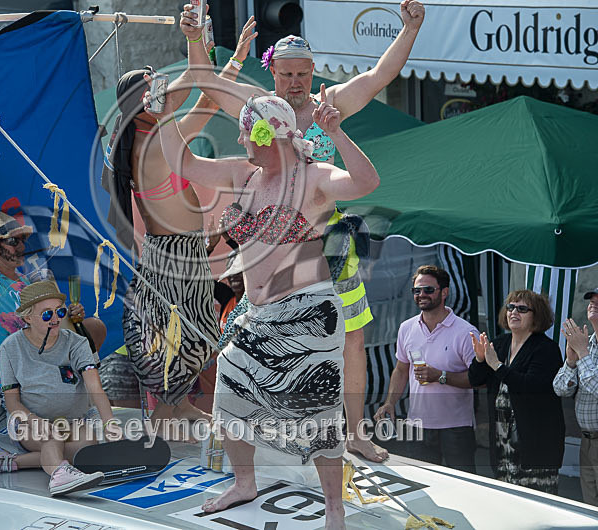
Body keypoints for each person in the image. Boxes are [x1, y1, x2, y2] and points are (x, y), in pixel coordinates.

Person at [181, 0, 426, 462]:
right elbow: (209, 85)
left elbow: (377, 78)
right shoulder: (257, 109)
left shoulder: (326, 107)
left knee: (353, 333)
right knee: (256, 335)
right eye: (287, 74)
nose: (295, 83)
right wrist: (196, 39)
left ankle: (354, 432)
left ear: (313, 72)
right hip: (268, 242)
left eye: (303, 74)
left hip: (328, 237)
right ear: (272, 73)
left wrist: (409, 31)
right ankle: (254, 433)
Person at [145, 82, 378, 527]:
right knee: (230, 388)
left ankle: (334, 506)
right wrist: (164, 117)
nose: (239, 140)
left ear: (269, 135)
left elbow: (367, 182)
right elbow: (185, 162)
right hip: (258, 315)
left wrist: (339, 133)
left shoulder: (314, 177)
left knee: (317, 408)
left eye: (246, 132)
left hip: (309, 310)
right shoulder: (244, 175)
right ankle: (244, 481)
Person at [99, 18, 259, 426]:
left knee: (198, 331)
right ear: (142, 101)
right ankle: (166, 416)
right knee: (181, 334)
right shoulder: (149, 146)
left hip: (181, 251)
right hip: (171, 255)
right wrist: (193, 41)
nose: (165, 90)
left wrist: (236, 60)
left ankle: (179, 406)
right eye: (156, 86)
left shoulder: (156, 135)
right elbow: (198, 82)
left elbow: (206, 100)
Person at [0, 197, 106, 408]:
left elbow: (49, 327)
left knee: (93, 328)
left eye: (22, 240)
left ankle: (83, 396)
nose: (21, 246)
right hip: (0, 379)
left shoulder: (27, 281)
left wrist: (67, 317)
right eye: (13, 241)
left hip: (36, 372)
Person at [0, 281, 114, 495]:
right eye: (47, 314)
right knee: (51, 434)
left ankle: (10, 462)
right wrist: (34, 420)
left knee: (87, 449)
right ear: (27, 318)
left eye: (60, 312)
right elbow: (12, 401)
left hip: (73, 421)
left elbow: (94, 386)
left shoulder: (77, 342)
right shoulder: (10, 347)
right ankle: (59, 475)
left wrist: (110, 424)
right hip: (29, 423)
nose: (56, 319)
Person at [373, 266, 478, 471]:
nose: (421, 295)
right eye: (416, 290)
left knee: (465, 488)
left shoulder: (466, 332)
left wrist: (441, 376)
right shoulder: (407, 328)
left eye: (428, 290)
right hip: (418, 425)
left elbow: (479, 379)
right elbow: (401, 369)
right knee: (425, 487)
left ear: (444, 292)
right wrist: (390, 403)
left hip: (456, 427)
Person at [468, 290, 565, 494]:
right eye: (511, 307)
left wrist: (497, 366)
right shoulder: (500, 343)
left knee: (538, 508)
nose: (514, 312)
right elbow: (475, 380)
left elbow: (529, 388)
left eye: (522, 309)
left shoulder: (546, 349)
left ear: (536, 316)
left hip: (535, 444)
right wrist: (479, 359)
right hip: (502, 442)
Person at [553, 287, 598, 505]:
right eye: (592, 300)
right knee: (590, 507)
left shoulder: (584, 347)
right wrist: (571, 361)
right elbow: (560, 389)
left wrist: (581, 354)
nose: (594, 303)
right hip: (587, 441)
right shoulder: (587, 344)